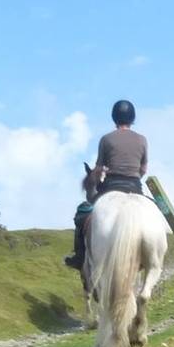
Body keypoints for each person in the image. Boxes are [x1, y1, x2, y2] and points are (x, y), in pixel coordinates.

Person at [66, 100, 148, 269]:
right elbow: (143, 170)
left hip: (110, 188)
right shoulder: (142, 140)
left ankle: (79, 257)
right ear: (133, 118)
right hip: (136, 189)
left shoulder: (106, 139)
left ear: (114, 118)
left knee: (82, 213)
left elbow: (98, 169)